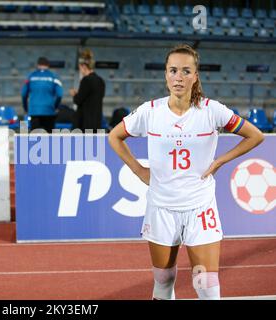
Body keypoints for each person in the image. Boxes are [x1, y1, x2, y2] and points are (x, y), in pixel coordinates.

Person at [108, 44, 264, 300]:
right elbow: (115, 136)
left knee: (205, 282)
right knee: (164, 280)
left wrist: (221, 160)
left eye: (185, 71)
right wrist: (138, 170)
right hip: (161, 208)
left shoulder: (212, 110)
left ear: (195, 76)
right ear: (165, 75)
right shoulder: (150, 111)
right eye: (173, 70)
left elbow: (255, 135)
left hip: (200, 208)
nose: (178, 77)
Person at [21, 56, 63, 133]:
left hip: (34, 111)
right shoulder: (54, 77)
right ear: (48, 65)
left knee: (35, 138)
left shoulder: (31, 77)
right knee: (51, 140)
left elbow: (23, 94)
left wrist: (26, 108)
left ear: (38, 65)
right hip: (49, 111)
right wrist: (55, 107)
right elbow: (60, 94)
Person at [70, 49, 105, 132]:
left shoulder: (86, 80)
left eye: (80, 68)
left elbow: (78, 100)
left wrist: (74, 94)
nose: (80, 71)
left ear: (84, 66)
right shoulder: (100, 80)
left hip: (85, 123)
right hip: (97, 121)